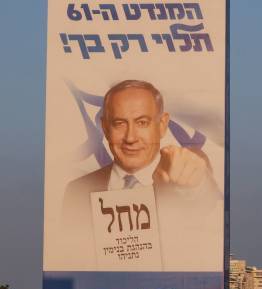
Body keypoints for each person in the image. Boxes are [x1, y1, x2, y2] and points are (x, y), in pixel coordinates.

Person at [62, 80, 221, 269]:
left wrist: (195, 183)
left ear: (162, 125)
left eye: (142, 122)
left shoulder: (175, 177)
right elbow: (70, 260)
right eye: (119, 123)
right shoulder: (77, 191)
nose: (130, 137)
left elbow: (204, 197)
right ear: (104, 127)